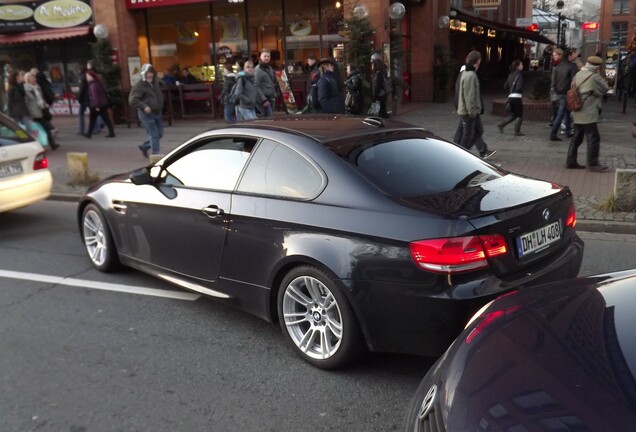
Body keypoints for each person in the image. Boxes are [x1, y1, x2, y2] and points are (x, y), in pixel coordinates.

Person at [565, 56, 610, 172]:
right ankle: (593, 163)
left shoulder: (578, 74)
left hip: (577, 109)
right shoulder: (594, 77)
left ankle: (570, 161)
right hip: (588, 112)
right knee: (593, 138)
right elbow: (605, 89)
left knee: (577, 137)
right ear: (597, 67)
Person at [456, 50, 496, 159]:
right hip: (469, 111)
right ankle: (459, 155)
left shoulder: (469, 73)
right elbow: (469, 95)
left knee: (478, 131)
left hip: (472, 110)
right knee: (468, 135)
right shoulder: (470, 75)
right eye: (480, 60)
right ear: (478, 60)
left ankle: (462, 152)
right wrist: (472, 112)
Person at [129, 63, 164, 157]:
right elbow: (133, 100)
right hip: (147, 114)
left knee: (160, 134)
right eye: (148, 73)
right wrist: (144, 106)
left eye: (151, 73)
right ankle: (155, 156)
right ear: (144, 73)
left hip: (157, 111)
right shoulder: (139, 86)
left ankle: (145, 146)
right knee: (154, 135)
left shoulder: (154, 83)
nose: (150, 75)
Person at [23, 71, 58, 150]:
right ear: (28, 79)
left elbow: (41, 97)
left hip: (41, 110)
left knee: (46, 128)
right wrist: (29, 114)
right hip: (33, 112)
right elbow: (26, 103)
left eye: (34, 78)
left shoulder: (38, 87)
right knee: (39, 129)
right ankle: (42, 145)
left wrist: (44, 103)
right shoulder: (26, 89)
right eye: (32, 78)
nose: (34, 79)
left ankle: (52, 144)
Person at [549, 48, 578, 141]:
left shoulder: (558, 66)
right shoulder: (572, 66)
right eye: (574, 54)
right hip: (567, 92)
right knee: (561, 113)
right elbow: (574, 81)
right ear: (570, 55)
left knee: (566, 111)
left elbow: (555, 81)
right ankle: (553, 133)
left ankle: (568, 131)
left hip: (559, 92)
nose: (575, 55)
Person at [84, 70, 115, 139]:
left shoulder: (93, 85)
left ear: (91, 77)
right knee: (105, 119)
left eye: (88, 76)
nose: (87, 78)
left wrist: (96, 106)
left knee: (93, 119)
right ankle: (111, 132)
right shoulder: (97, 83)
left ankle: (89, 133)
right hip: (102, 104)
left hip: (97, 105)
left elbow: (95, 97)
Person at [497, 59, 525, 136]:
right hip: (517, 98)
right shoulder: (519, 75)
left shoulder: (510, 75)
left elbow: (505, 86)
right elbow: (519, 88)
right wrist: (522, 90)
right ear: (517, 66)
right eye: (521, 65)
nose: (522, 66)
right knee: (519, 115)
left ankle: (501, 125)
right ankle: (517, 131)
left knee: (514, 115)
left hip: (510, 98)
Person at [254, 48, 279, 117]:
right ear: (260, 57)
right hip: (264, 100)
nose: (267, 58)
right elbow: (256, 86)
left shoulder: (270, 68)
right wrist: (263, 99)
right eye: (265, 56)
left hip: (271, 98)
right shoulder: (258, 70)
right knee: (268, 119)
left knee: (270, 119)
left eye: (268, 56)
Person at [371, 53, 389, 118]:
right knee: (383, 111)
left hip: (379, 96)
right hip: (382, 95)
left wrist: (375, 97)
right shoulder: (383, 71)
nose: (371, 65)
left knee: (381, 113)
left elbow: (377, 85)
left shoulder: (378, 73)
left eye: (372, 63)